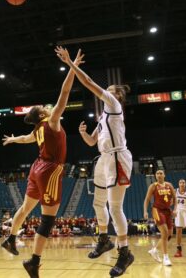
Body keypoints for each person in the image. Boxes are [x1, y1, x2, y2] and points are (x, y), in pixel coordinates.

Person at [1, 48, 84, 278]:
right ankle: (34, 262)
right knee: (48, 219)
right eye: (42, 108)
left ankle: (11, 238)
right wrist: (71, 66)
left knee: (26, 209)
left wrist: (12, 139)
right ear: (42, 115)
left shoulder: (37, 129)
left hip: (36, 167)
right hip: (49, 169)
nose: (47, 107)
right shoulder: (52, 121)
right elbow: (65, 92)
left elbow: (25, 138)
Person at [57, 47, 134, 277]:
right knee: (98, 204)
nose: (105, 91)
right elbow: (92, 142)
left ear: (117, 95)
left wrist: (71, 64)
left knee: (116, 207)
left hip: (118, 157)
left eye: (109, 90)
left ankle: (125, 252)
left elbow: (89, 82)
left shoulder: (113, 105)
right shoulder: (103, 117)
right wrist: (82, 134)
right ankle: (104, 240)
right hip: (103, 159)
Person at [143, 170, 177, 266]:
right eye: (157, 173)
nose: (159, 175)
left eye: (161, 173)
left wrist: (175, 209)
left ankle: (154, 250)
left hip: (167, 211)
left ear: (164, 175)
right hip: (157, 210)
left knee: (169, 235)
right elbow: (147, 199)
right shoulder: (153, 186)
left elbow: (175, 199)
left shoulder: (169, 185)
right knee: (165, 233)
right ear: (155, 176)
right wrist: (145, 211)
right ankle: (165, 257)